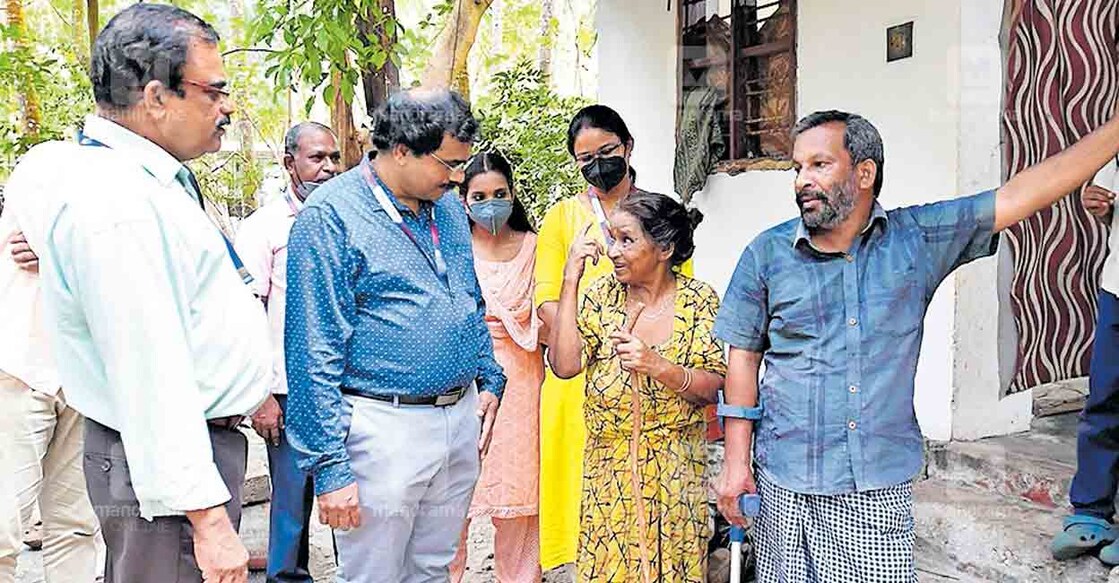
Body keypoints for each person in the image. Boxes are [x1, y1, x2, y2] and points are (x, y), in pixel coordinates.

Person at [713, 108, 1119, 581]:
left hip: (875, 488)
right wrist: (736, 464)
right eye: (797, 168)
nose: (803, 180)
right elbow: (742, 359)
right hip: (784, 481)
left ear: (864, 173)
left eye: (819, 165)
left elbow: (1021, 195)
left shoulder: (917, 240)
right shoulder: (766, 253)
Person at [2, 4, 273, 582]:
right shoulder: (117, 204)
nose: (225, 108)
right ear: (156, 97)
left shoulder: (147, 182)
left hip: (182, 460)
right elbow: (150, 372)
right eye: (214, 90)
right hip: (168, 476)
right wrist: (211, 524)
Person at [284, 89, 505, 582]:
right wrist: (331, 468)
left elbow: (465, 296)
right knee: (373, 575)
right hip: (383, 426)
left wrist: (489, 377)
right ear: (402, 150)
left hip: (457, 417)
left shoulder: (445, 207)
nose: (457, 177)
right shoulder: (332, 216)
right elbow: (310, 351)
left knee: (432, 569)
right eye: (448, 163)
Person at [548, 190, 726, 581]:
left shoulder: (698, 301)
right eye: (611, 238)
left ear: (664, 248)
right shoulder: (600, 296)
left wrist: (657, 366)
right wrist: (569, 279)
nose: (612, 250)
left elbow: (713, 386)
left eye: (626, 240)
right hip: (608, 475)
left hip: (676, 474)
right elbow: (564, 366)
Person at [234, 121, 340, 582]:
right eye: (317, 158)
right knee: (291, 506)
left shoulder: (347, 219)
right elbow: (243, 315)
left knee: (352, 501)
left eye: (333, 158)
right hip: (288, 395)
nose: (329, 168)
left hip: (344, 389)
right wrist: (261, 396)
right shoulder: (263, 229)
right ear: (289, 162)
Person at [448, 151, 544, 582]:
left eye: (500, 194)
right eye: (480, 195)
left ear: (513, 194)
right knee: (450, 509)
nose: (491, 204)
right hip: (462, 386)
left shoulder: (535, 248)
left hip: (524, 388)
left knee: (521, 514)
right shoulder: (448, 248)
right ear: (463, 199)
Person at [0, 227, 102, 582]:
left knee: (76, 527)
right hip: (19, 365)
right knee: (3, 528)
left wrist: (60, 255)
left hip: (85, 373)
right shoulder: (38, 176)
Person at [1051, 175, 1119, 565]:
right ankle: (1091, 513)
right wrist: (1098, 204)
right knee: (1104, 401)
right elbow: (1104, 202)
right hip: (1116, 288)